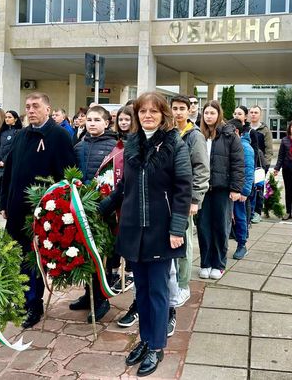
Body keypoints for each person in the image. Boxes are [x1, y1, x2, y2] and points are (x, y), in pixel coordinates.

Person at [99, 92, 192, 377]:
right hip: (133, 229)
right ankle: (146, 339)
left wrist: (177, 229)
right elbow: (124, 186)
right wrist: (101, 207)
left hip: (161, 230)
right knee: (141, 291)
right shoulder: (131, 145)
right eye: (143, 111)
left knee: (158, 291)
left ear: (163, 114)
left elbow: (183, 189)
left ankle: (157, 345)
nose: (148, 115)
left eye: (153, 111)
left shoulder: (175, 144)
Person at [0, 92, 76, 329]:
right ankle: (21, 299)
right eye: (28, 106)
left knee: (33, 260)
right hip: (15, 209)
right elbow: (10, 172)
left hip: (41, 212)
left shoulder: (59, 136)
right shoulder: (22, 135)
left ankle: (34, 303)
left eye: (36, 106)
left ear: (47, 109)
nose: (31, 110)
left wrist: (59, 210)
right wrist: (3, 203)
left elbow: (67, 176)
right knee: (16, 257)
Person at [160, 95, 210, 334]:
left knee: (184, 242)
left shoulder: (194, 136)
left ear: (190, 111)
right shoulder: (167, 133)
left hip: (184, 198)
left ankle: (182, 283)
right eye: (175, 108)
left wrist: (195, 199)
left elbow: (201, 168)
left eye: (182, 109)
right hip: (165, 197)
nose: (178, 112)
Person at [71, 105, 118, 322]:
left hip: (103, 209)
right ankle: (88, 293)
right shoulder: (79, 145)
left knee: (101, 255)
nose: (92, 123)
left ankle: (101, 298)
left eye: (97, 120)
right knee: (84, 253)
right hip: (82, 208)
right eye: (89, 119)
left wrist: (105, 203)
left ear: (107, 123)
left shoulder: (113, 147)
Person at [198, 101, 244, 280]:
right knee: (203, 227)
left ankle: (219, 263)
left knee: (220, 227)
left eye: (212, 113)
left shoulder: (229, 135)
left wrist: (236, 188)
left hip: (222, 189)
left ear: (219, 115)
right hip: (203, 189)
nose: (209, 116)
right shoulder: (199, 134)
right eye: (206, 113)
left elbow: (238, 163)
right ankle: (206, 262)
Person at [227, 118, 254, 258]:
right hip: (229, 188)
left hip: (240, 190)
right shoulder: (231, 144)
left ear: (236, 131)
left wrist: (244, 191)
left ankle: (242, 245)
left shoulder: (246, 148)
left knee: (240, 217)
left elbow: (249, 171)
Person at [0, 110, 23, 203]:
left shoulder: (19, 132)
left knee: (8, 186)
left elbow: (14, 149)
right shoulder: (2, 132)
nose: (7, 119)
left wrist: (5, 161)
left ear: (15, 119)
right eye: (6, 117)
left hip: (10, 164)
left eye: (9, 117)